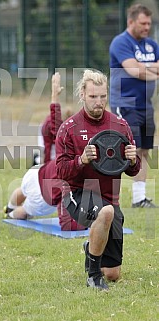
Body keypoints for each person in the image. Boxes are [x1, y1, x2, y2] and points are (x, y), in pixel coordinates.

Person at [55, 69, 141, 290]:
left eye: (103, 96)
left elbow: (133, 170)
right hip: (77, 194)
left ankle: (91, 247)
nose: (99, 102)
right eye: (93, 97)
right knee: (106, 212)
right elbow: (61, 172)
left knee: (113, 274)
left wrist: (133, 161)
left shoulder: (120, 126)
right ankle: (93, 276)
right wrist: (81, 160)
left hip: (109, 196)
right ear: (82, 94)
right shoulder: (69, 128)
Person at [4, 72, 85, 231]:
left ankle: (9, 207)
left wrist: (55, 96)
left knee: (22, 189)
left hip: (37, 173)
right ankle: (11, 215)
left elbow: (55, 124)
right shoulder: (78, 169)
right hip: (44, 197)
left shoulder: (67, 145)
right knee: (25, 212)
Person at [109, 3, 159, 208]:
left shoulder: (152, 45)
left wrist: (143, 67)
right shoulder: (121, 42)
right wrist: (150, 69)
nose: (147, 27)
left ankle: (139, 198)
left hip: (145, 105)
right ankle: (106, 194)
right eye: (143, 23)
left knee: (144, 150)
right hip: (125, 103)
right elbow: (133, 70)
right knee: (129, 149)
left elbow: (141, 68)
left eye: (149, 23)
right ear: (131, 22)